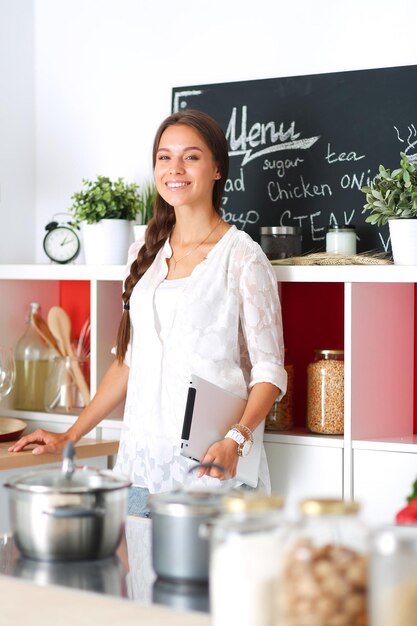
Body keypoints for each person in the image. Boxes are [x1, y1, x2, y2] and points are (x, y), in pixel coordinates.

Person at [9, 109, 287, 517]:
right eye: (164, 157)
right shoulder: (143, 254)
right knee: (138, 579)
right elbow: (129, 363)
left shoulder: (242, 256)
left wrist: (236, 439)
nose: (175, 168)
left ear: (217, 169)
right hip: (140, 469)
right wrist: (70, 435)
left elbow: (269, 371)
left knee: (208, 581)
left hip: (212, 472)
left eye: (191, 157)